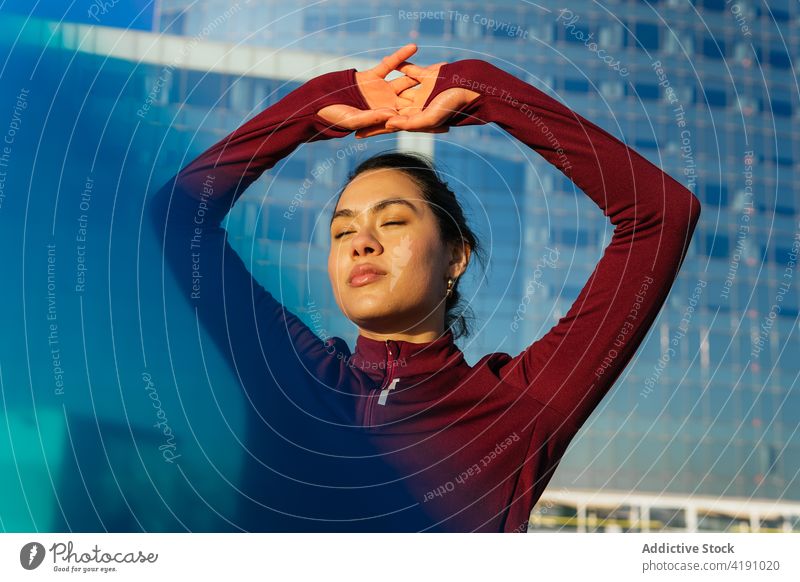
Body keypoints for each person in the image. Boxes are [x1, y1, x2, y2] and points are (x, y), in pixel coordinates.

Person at [148, 44, 701, 532]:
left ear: (455, 257)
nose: (361, 242)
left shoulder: (518, 407)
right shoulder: (291, 371)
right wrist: (323, 101)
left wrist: (482, 87)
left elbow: (662, 214)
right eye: (343, 230)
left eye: (391, 222)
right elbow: (177, 212)